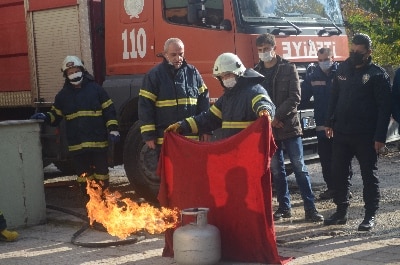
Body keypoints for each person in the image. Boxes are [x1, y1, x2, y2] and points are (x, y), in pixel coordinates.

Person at [323, 33, 391, 231]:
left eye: (359, 52)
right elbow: (334, 96)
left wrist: (380, 137)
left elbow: (384, 109)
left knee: (368, 175)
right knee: (338, 172)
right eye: (352, 50)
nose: (354, 54)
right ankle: (341, 211)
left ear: (368, 52)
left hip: (366, 135)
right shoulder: (343, 68)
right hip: (342, 132)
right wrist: (329, 122)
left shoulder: (378, 75)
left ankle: (369, 215)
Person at [254, 33, 324, 222]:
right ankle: (285, 208)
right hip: (270, 129)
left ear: (274, 48)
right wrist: (270, 120)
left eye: (266, 49)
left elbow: (295, 97)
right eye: (260, 50)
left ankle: (310, 208)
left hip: (290, 127)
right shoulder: (255, 72)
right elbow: (255, 99)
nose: (263, 53)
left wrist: (276, 116)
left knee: (299, 167)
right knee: (277, 171)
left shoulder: (288, 68)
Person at [30, 55, 120, 196]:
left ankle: (104, 204)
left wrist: (113, 129)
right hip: (77, 147)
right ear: (66, 75)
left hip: (98, 144)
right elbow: (55, 116)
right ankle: (90, 206)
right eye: (70, 72)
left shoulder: (97, 90)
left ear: (82, 70)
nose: (74, 74)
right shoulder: (62, 96)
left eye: (76, 70)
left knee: (102, 175)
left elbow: (109, 111)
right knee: (84, 178)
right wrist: (45, 117)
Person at [165, 52, 275, 138]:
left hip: (250, 152)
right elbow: (208, 119)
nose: (226, 79)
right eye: (222, 77)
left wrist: (265, 110)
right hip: (234, 152)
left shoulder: (254, 90)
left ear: (238, 72)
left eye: (228, 75)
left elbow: (262, 102)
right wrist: (182, 126)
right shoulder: (227, 98)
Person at [138, 38, 211, 151]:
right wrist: (148, 135)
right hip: (166, 139)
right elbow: (145, 107)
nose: (178, 58)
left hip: (191, 139)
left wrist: (206, 129)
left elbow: (204, 103)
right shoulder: (154, 75)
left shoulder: (193, 73)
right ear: (165, 54)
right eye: (173, 55)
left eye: (181, 54)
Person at [300, 48, 352, 200]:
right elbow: (302, 97)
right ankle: (331, 188)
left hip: (340, 126)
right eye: (320, 60)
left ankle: (344, 188)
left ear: (333, 58)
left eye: (326, 59)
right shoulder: (312, 76)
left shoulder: (342, 73)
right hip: (322, 126)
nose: (324, 62)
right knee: (325, 159)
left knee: (342, 159)